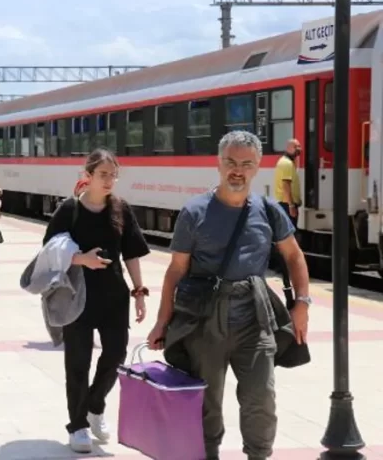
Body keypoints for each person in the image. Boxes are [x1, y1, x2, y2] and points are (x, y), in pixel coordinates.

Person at [147, 130, 310, 460]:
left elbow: (294, 256)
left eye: (246, 164)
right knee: (206, 403)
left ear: (257, 167)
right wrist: (162, 321)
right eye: (231, 162)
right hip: (205, 320)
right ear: (219, 164)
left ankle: (258, 455)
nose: (238, 170)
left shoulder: (268, 210)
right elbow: (175, 271)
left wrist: (302, 304)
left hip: (255, 317)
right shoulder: (194, 212)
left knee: (261, 399)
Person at [43, 148, 150, 454]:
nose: (109, 180)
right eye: (103, 174)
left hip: (114, 295)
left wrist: (139, 291)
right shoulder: (70, 210)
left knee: (116, 354)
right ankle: (78, 425)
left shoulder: (120, 208)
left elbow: (131, 253)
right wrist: (81, 259)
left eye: (113, 175)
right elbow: (50, 249)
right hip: (76, 294)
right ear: (87, 175)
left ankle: (95, 405)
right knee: (78, 362)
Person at [273, 138, 302, 228]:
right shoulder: (287, 163)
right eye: (296, 147)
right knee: (290, 231)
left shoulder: (287, 162)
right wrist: (291, 205)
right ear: (288, 148)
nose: (299, 149)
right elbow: (286, 186)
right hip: (286, 205)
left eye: (299, 146)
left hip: (286, 204)